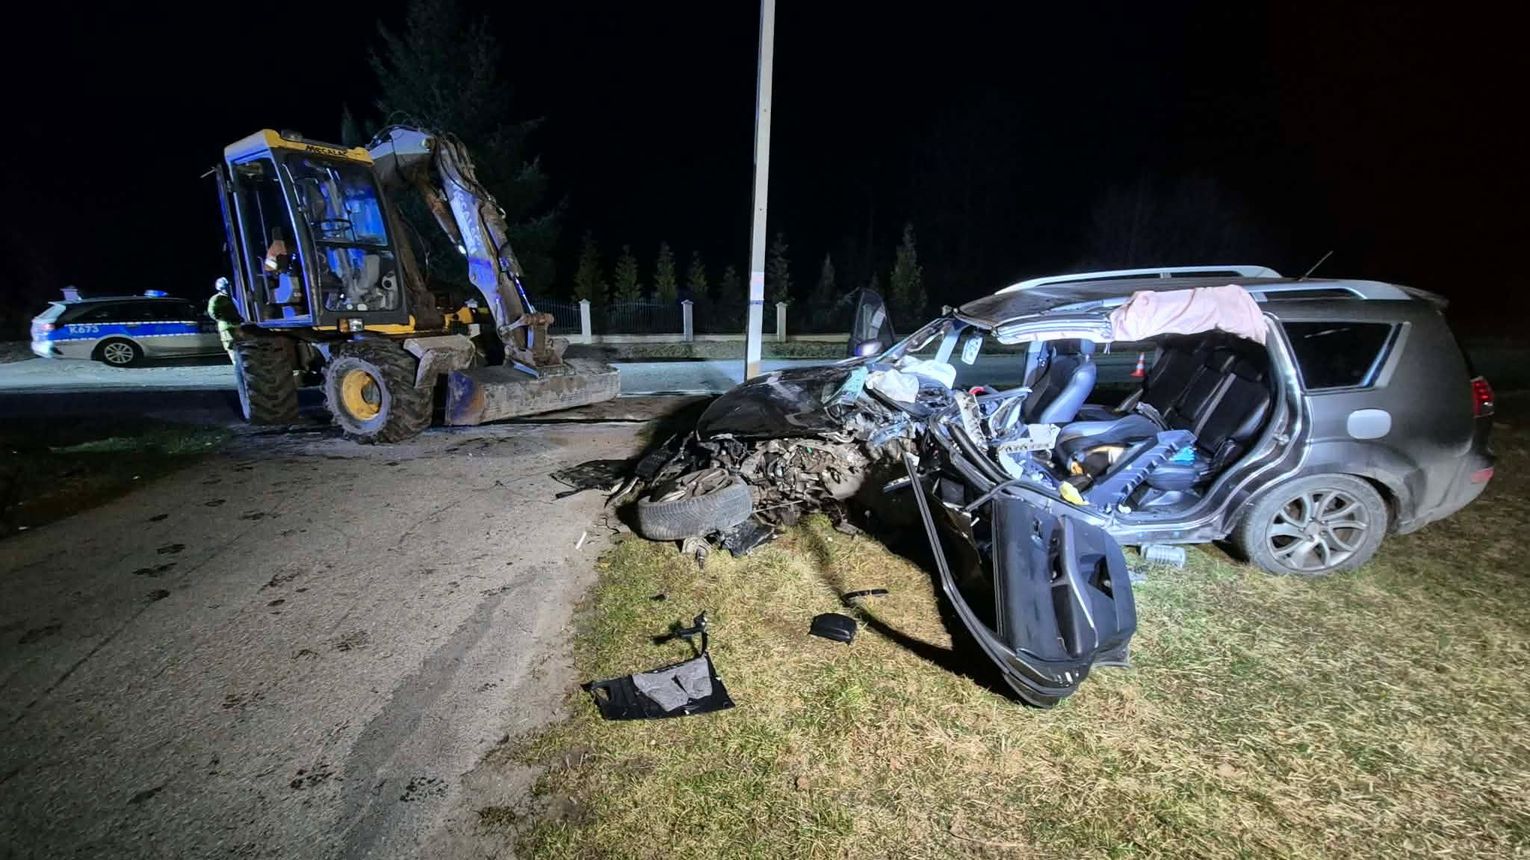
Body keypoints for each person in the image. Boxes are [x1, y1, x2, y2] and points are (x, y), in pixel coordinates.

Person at [207, 277, 243, 358]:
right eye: (224, 287)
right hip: (227, 328)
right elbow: (212, 313)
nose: (227, 289)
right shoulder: (216, 299)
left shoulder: (230, 298)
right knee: (233, 351)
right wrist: (225, 319)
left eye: (227, 287)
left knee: (240, 348)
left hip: (236, 326)